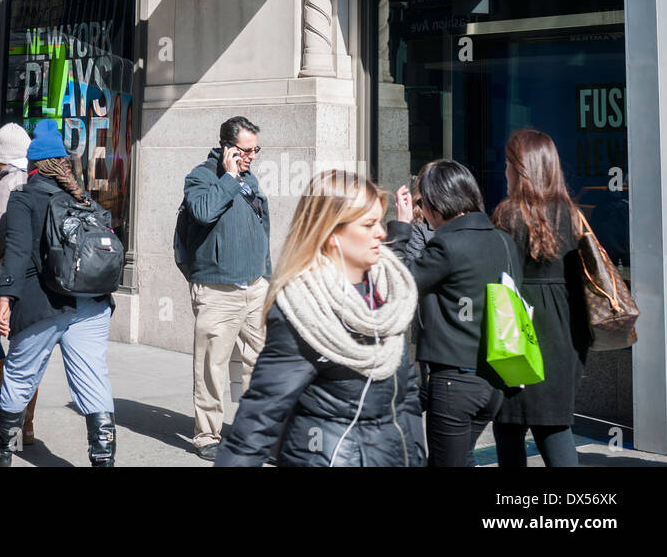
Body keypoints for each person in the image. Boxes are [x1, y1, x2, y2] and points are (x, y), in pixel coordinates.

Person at [215, 169, 424, 467]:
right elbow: (259, 418)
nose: (381, 232)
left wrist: (416, 452)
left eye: (380, 221)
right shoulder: (303, 309)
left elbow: (406, 393)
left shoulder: (388, 293)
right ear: (332, 233)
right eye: (369, 224)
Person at [0, 119, 117, 468]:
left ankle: (0, 454)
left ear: (33, 164)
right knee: (93, 380)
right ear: (63, 163)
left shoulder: (23, 198)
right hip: (91, 305)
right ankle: (103, 460)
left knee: (19, 375)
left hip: (40, 304)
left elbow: (15, 253)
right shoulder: (83, 198)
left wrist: (5, 299)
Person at [389, 159, 524, 466]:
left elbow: (399, 285)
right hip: (496, 380)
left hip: (454, 382)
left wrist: (401, 226)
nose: (423, 209)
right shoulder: (504, 241)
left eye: (423, 201)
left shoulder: (447, 245)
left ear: (438, 201)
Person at [490, 129, 590, 468]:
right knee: (556, 428)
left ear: (521, 169)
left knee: (508, 429)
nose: (504, 172)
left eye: (508, 165)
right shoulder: (573, 216)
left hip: (517, 334)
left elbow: (498, 282)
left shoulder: (506, 215)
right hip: (564, 337)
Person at [183, 115, 272, 459]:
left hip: (254, 286)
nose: (251, 156)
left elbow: (263, 227)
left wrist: (266, 275)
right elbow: (204, 212)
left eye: (255, 150)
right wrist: (230, 177)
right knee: (211, 366)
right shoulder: (200, 177)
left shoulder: (251, 179)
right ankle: (207, 435)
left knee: (261, 363)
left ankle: (254, 432)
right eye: (245, 150)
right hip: (217, 289)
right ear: (227, 147)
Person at [0, 123, 39, 447]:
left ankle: (14, 412)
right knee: (22, 344)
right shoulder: (33, 177)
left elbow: (0, 235)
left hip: (5, 274)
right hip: (31, 276)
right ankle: (27, 423)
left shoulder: (5, 185)